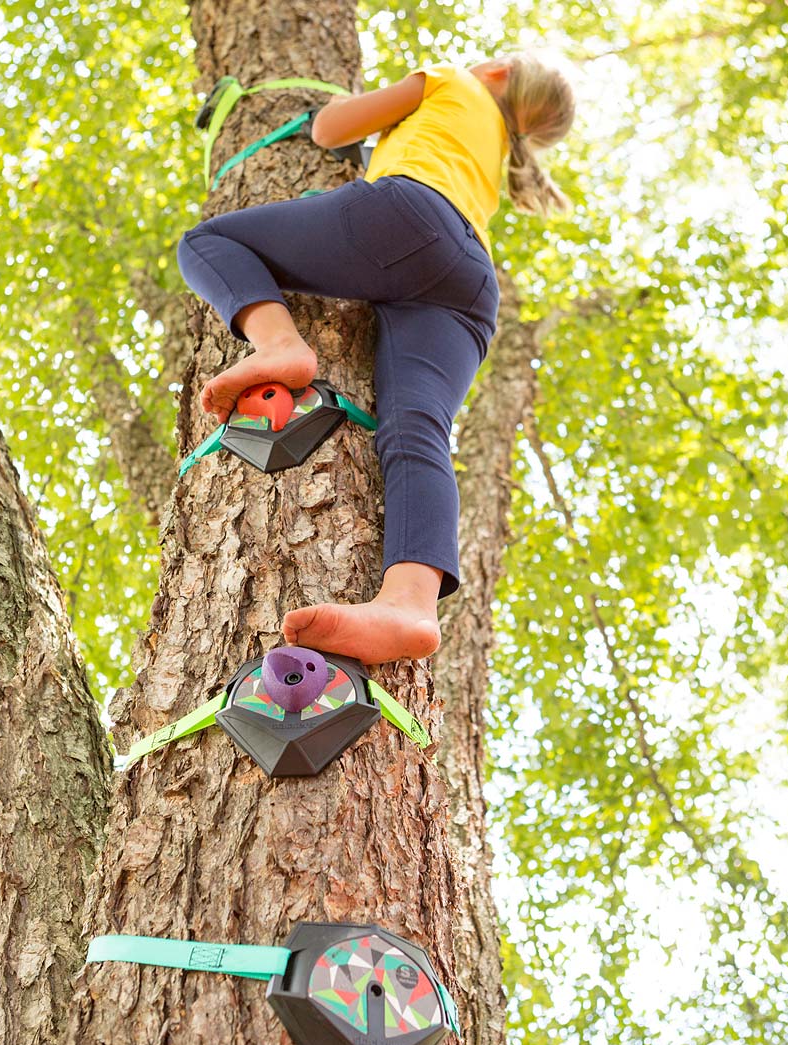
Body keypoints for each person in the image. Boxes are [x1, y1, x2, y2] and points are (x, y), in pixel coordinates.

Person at [177, 52, 575, 664]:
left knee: (209, 240)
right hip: (469, 285)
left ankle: (281, 344)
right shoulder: (491, 147)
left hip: (411, 218)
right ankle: (409, 605)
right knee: (418, 431)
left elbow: (328, 129)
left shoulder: (452, 80)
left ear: (500, 72)